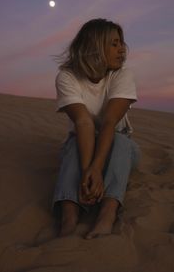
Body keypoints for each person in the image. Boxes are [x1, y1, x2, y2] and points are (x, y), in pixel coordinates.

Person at [52, 18, 141, 239]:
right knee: (73, 144)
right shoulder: (67, 76)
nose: (122, 49)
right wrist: (87, 173)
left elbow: (110, 121)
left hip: (120, 147)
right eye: (114, 44)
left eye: (122, 43)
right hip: (83, 143)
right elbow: (83, 122)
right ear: (94, 47)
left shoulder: (123, 75)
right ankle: (69, 216)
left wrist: (96, 168)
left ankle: (107, 214)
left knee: (121, 142)